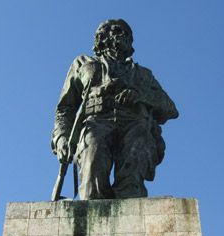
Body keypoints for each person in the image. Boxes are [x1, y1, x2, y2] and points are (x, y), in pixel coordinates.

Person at [51, 19, 178, 200]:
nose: (124, 36)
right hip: (96, 123)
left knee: (131, 189)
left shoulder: (143, 74)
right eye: (118, 31)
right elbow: (65, 108)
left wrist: (141, 95)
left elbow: (170, 108)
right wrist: (62, 137)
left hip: (135, 125)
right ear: (102, 36)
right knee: (91, 185)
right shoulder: (83, 64)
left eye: (127, 34)